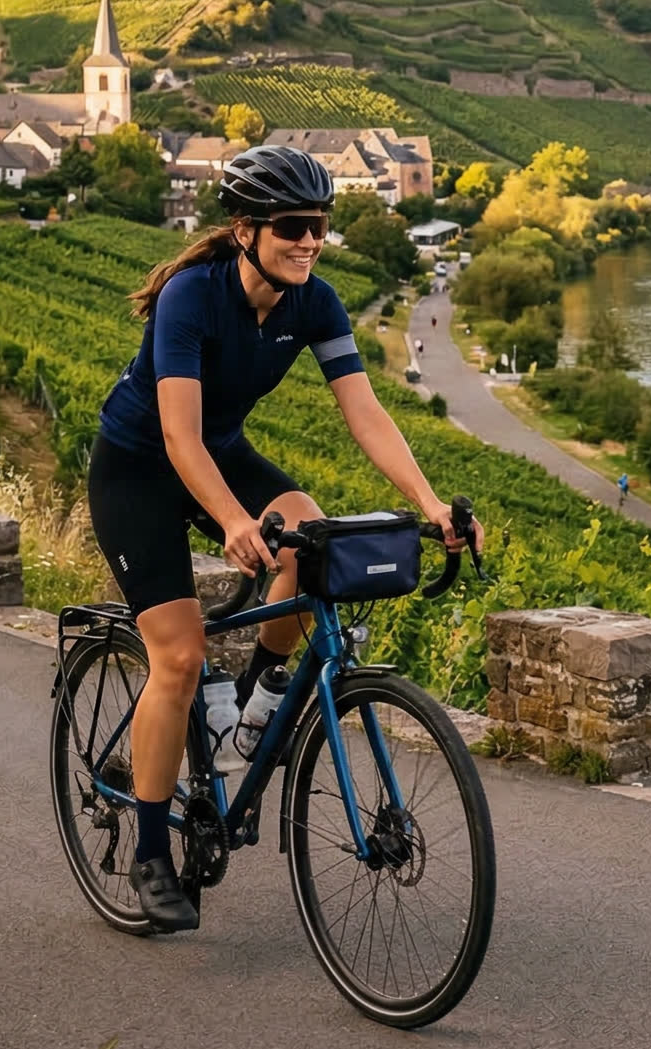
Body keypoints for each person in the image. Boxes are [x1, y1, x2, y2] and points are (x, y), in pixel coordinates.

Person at [86, 144, 468, 934]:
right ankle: (151, 852)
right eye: (294, 226)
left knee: (309, 533)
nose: (310, 240)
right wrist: (229, 520)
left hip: (218, 453)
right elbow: (179, 437)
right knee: (182, 656)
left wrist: (430, 502)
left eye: (319, 226)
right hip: (139, 469)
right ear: (245, 229)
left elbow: (365, 413)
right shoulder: (192, 297)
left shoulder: (314, 302)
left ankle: (255, 707)